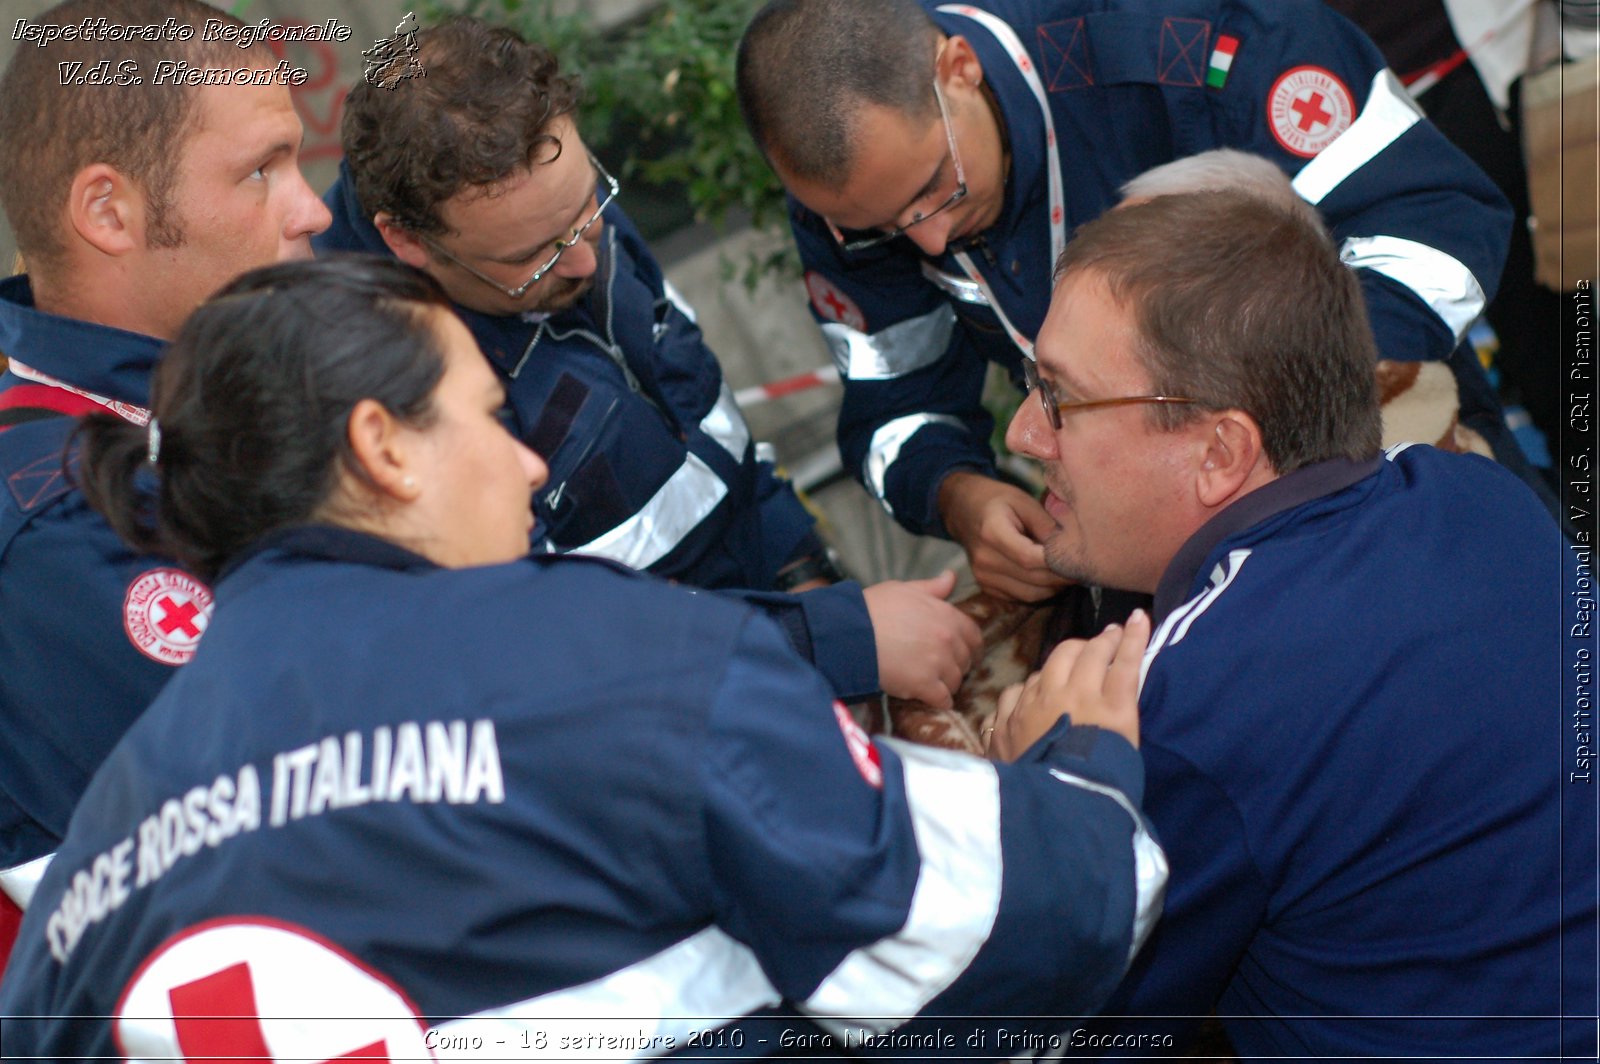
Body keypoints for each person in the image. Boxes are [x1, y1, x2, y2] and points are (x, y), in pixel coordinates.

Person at [0, 256, 1164, 1054]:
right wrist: (1082, 774)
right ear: (382, 448)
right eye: (486, 416)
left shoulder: (93, 868)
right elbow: (1000, 927)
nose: (524, 467)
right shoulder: (606, 649)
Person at [998, 189, 1594, 1056]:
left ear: (1219, 453)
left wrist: (1049, 810)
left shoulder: (1181, 711)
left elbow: (1067, 1026)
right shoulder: (1482, 496)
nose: (1023, 433)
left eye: (1059, 397)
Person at [735, 0, 1519, 603]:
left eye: (940, 189)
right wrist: (957, 495)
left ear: (959, 68)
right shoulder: (855, 199)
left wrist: (1286, 406)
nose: (931, 241)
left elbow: (1430, 222)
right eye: (887, 226)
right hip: (1163, 568)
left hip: (1384, 469)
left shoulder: (1189, 38)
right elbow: (891, 409)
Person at [314, 16, 981, 712]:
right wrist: (832, 640)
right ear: (408, 241)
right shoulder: (383, 388)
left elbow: (705, 415)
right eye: (528, 260)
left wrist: (804, 574)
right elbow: (551, 646)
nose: (580, 259)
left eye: (587, 208)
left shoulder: (554, 214)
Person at [0, 0, 331, 975]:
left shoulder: (214, 378)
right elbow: (333, 802)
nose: (309, 206)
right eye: (260, 170)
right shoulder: (54, 514)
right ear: (109, 213)